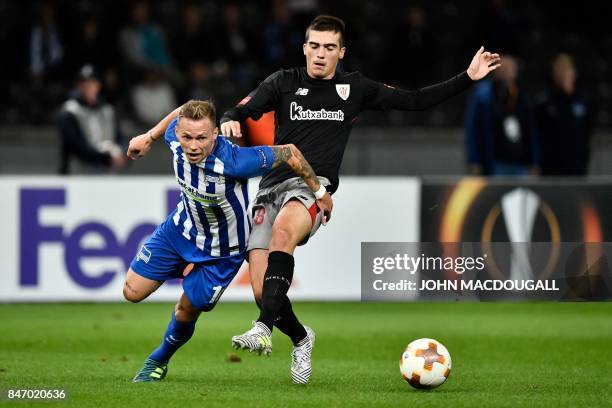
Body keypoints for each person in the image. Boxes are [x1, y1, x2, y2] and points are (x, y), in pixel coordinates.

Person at [219, 15, 500, 384]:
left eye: (329, 48)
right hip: (270, 186)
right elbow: (240, 109)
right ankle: (302, 338)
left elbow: (413, 101)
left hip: (312, 187)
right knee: (260, 290)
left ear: (341, 52)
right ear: (305, 48)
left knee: (284, 234)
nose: (320, 54)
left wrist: (466, 77)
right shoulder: (283, 82)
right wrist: (229, 120)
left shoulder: (355, 88)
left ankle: (262, 329)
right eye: (314, 46)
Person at [123, 99, 332, 382]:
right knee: (132, 292)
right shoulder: (175, 135)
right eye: (186, 137)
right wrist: (148, 137)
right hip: (179, 232)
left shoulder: (235, 161)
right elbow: (180, 112)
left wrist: (319, 192)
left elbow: (290, 153)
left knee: (186, 310)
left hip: (223, 252)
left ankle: (158, 361)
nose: (193, 145)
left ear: (215, 135)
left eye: (201, 138)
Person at [464, 54, 539, 176]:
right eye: (504, 68)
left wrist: (534, 161)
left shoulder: (522, 95)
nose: (508, 71)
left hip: (520, 163)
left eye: (511, 68)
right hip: (495, 163)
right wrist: (474, 161)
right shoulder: (484, 95)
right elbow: (473, 130)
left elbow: (530, 130)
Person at [57, 65, 126, 174]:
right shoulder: (70, 110)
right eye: (85, 83)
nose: (89, 87)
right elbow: (75, 145)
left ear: (98, 85)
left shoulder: (107, 109)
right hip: (79, 172)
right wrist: (104, 156)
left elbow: (119, 136)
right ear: (78, 85)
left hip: (107, 170)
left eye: (93, 83)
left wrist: (120, 152)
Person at [535, 53, 592, 176]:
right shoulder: (545, 100)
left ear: (574, 73)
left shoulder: (583, 99)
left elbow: (587, 130)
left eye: (566, 69)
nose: (563, 73)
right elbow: (537, 132)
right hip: (551, 165)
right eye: (559, 69)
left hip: (577, 163)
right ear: (554, 74)